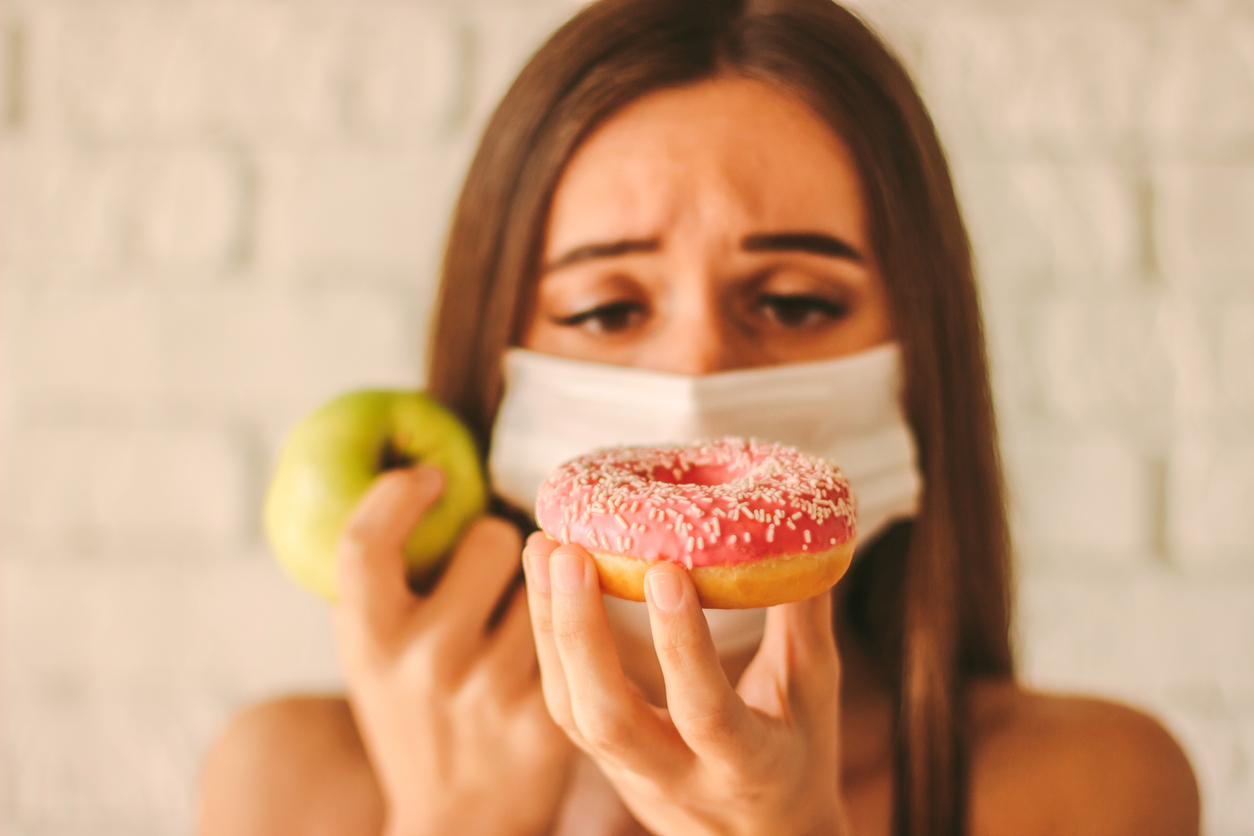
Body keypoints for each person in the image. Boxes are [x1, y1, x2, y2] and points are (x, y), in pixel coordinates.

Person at [198, 1, 1200, 834]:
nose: (696, 372)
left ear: (919, 360)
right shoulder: (294, 784)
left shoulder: (1088, 787)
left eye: (796, 301)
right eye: (606, 309)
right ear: (496, 361)